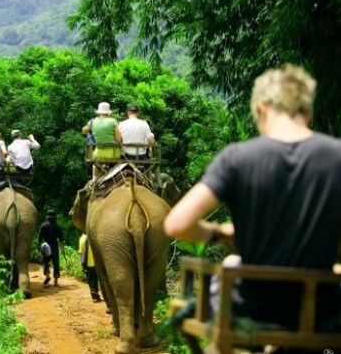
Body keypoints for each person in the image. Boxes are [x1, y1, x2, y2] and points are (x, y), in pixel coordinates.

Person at [164, 64, 341, 331]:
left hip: (251, 310)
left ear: (260, 108)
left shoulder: (237, 158)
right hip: (321, 312)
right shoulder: (336, 156)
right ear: (307, 109)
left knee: (229, 267)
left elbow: (177, 224)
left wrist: (217, 232)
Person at [81, 102, 122, 180]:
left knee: (95, 164)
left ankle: (94, 180)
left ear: (98, 112)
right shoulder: (113, 121)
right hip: (114, 154)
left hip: (99, 154)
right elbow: (118, 139)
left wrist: (90, 130)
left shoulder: (93, 122)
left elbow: (84, 130)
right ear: (108, 112)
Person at [39, 209, 64, 287]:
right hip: (54, 248)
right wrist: (63, 249)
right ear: (55, 217)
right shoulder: (57, 226)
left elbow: (40, 238)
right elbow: (61, 239)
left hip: (46, 248)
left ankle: (47, 276)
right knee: (56, 264)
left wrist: (39, 247)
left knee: (46, 263)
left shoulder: (43, 226)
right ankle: (56, 281)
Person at [78, 231, 101, 302]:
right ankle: (96, 295)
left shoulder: (82, 238)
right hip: (97, 262)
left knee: (91, 279)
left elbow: (80, 252)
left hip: (87, 263)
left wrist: (82, 263)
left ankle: (94, 295)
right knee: (96, 278)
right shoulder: (95, 236)